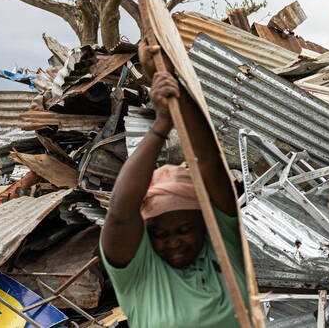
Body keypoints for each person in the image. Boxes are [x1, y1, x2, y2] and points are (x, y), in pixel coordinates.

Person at [99, 38, 250, 328]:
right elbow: (120, 213)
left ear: (205, 224)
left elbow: (209, 162)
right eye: (160, 234)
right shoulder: (139, 272)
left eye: (184, 230)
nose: (173, 242)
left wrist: (171, 84)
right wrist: (161, 124)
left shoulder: (224, 247)